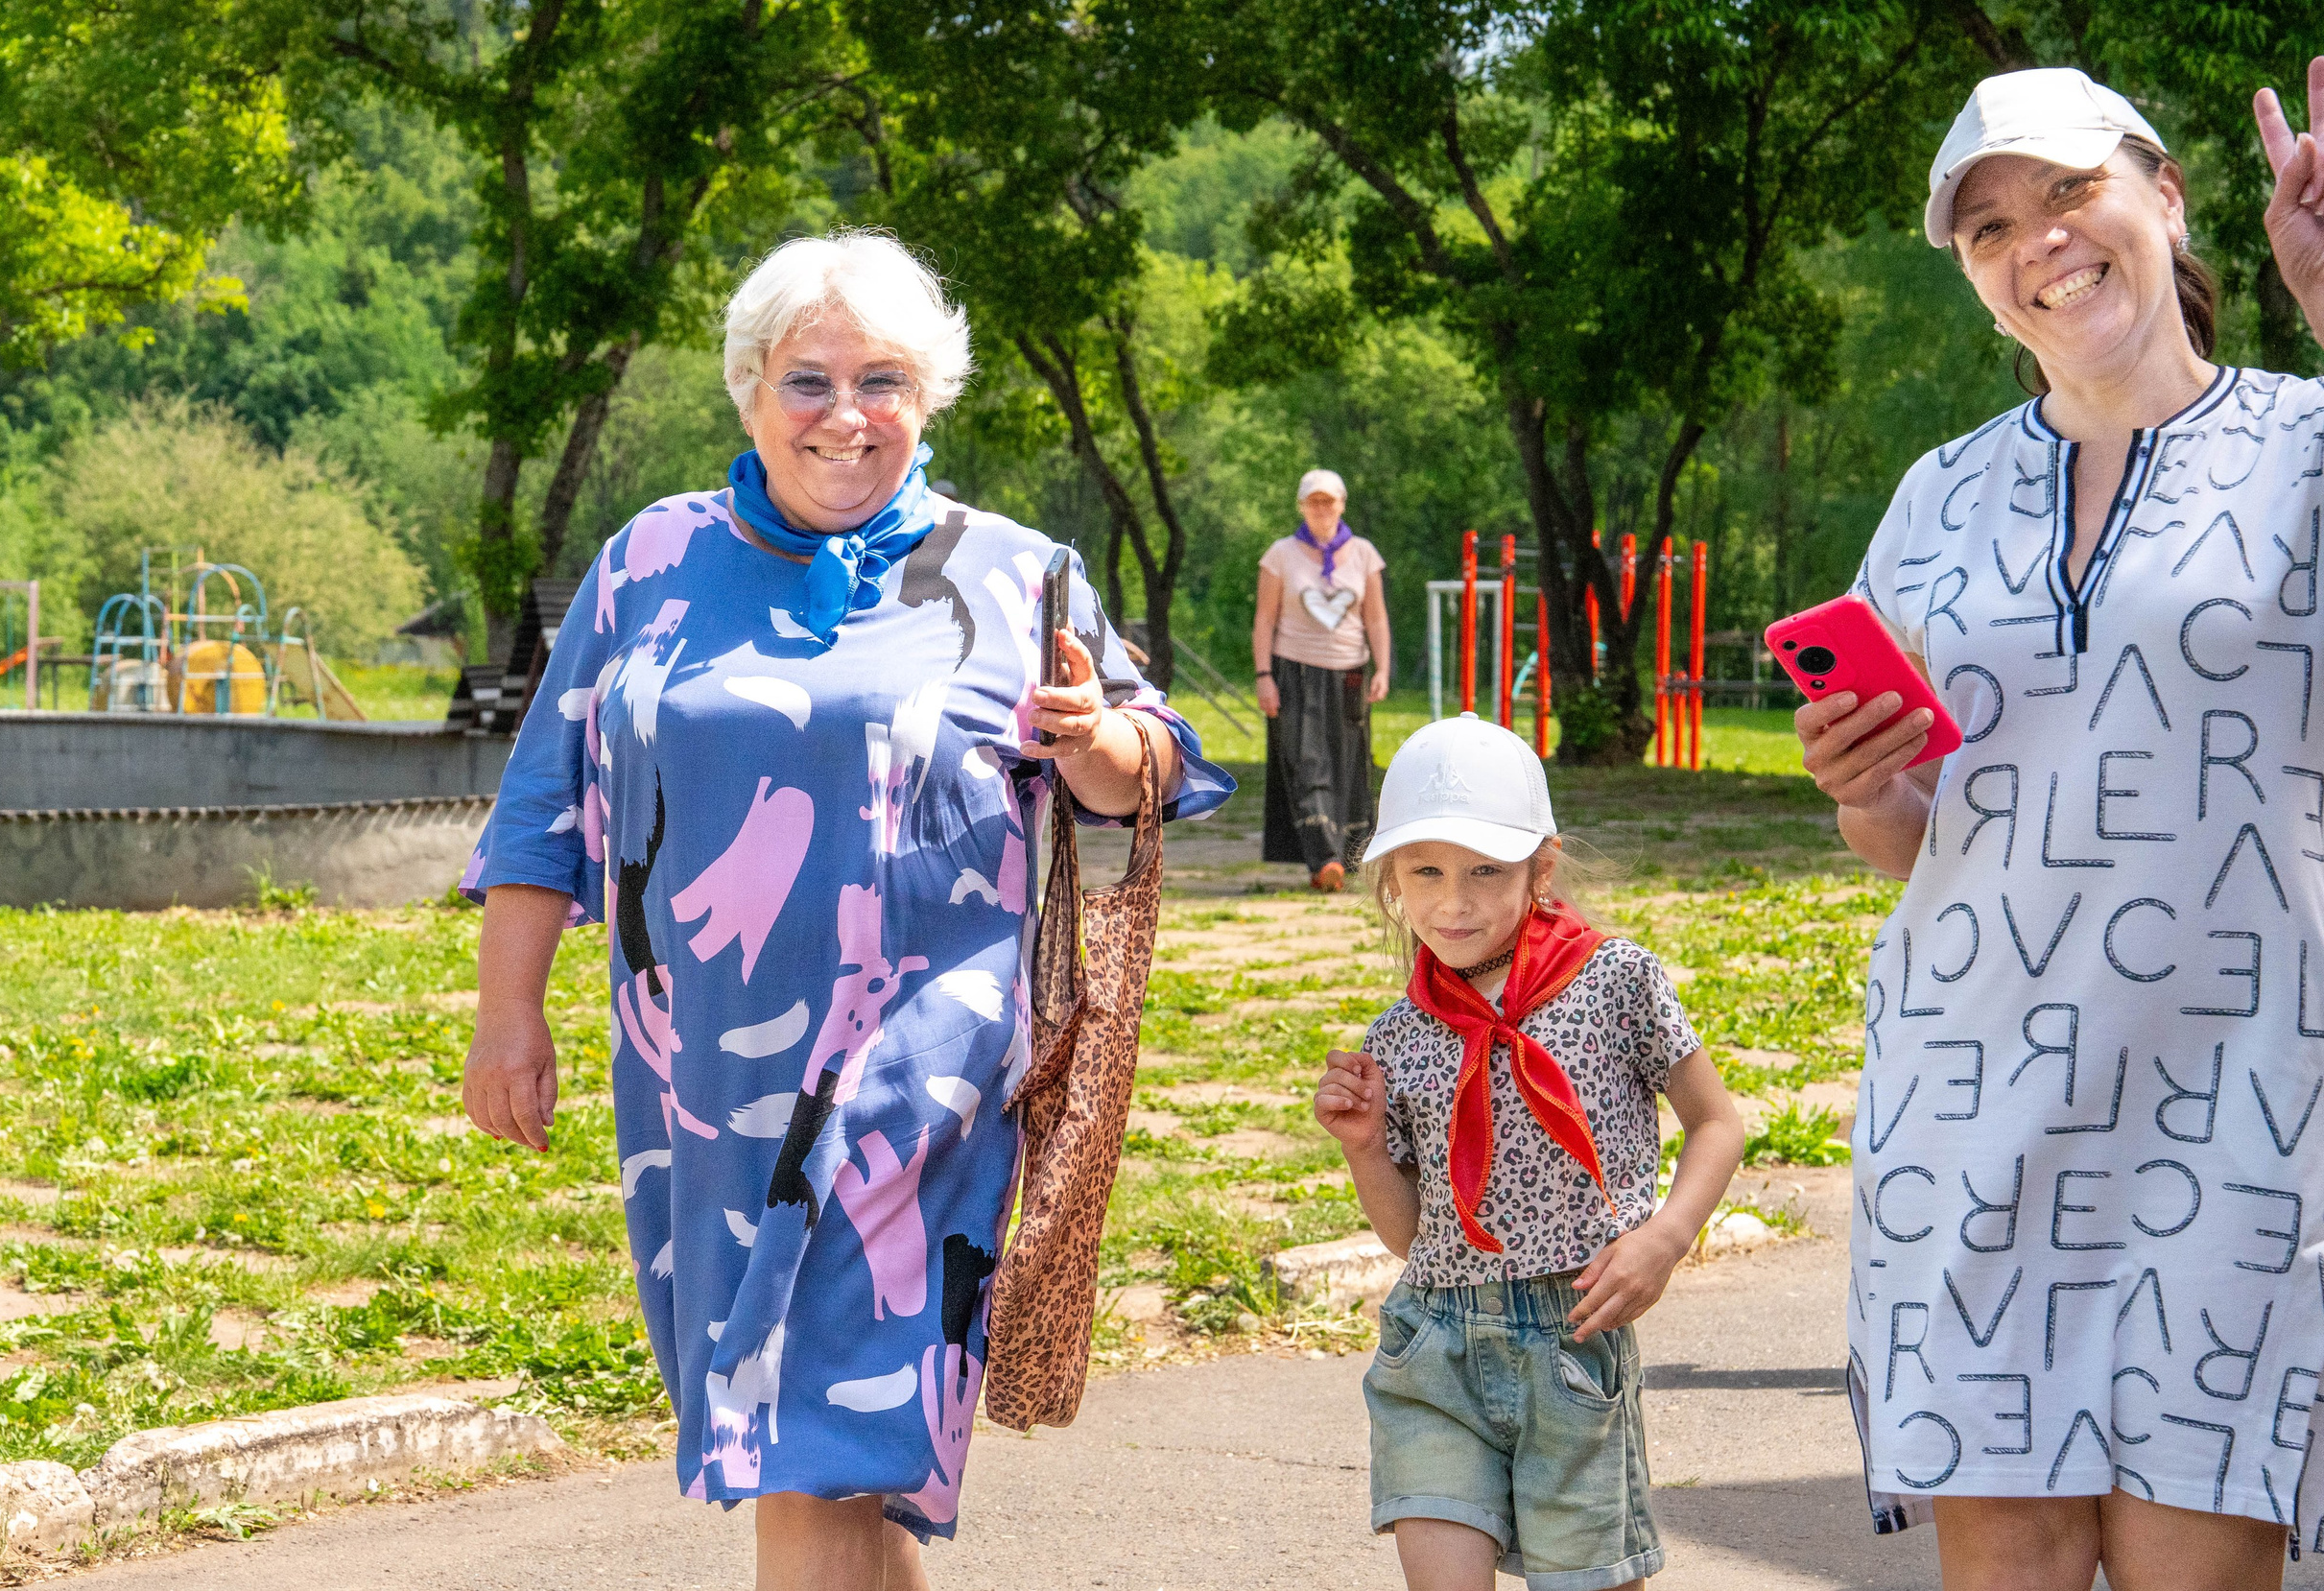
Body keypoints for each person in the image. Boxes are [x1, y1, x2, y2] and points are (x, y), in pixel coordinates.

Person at [457, 229, 1232, 1591]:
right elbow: (544, 805)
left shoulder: (1012, 570)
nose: (845, 415)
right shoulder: (651, 562)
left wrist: (1094, 739)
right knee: (848, 1467)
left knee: (800, 1440)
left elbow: (1157, 765)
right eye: (808, 381)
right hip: (699, 1094)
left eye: (882, 378)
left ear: (927, 396)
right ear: (749, 391)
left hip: (919, 1082)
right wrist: (506, 1013)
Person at [1792, 62, 2324, 1591]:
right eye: (1990, 227)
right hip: (1970, 1114)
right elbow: (1916, 841)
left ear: (2164, 195)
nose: (2040, 241)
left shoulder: (2304, 442)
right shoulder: (1935, 498)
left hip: (2240, 1111)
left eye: (2071, 190)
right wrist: (1865, 789)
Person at [1315, 716, 1743, 1591]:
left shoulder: (1616, 980)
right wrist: (1364, 1147)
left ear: (1540, 870)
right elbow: (1411, 1238)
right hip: (1433, 1347)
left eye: (1485, 871)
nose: (1454, 901)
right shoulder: (1398, 1034)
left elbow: (1717, 1123)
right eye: (1424, 871)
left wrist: (1666, 1236)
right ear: (1390, 880)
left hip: (1574, 1341)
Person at [1256, 467, 1391, 891]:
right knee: (1306, 761)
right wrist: (1264, 675)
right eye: (1313, 501)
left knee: (1349, 763)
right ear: (1301, 506)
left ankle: (1350, 856)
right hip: (1294, 669)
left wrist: (1383, 668)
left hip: (1350, 671)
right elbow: (1264, 620)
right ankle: (1324, 860)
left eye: (1328, 500)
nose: (1321, 509)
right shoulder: (1280, 554)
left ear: (1342, 504)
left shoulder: (1365, 553)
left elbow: (1376, 617)